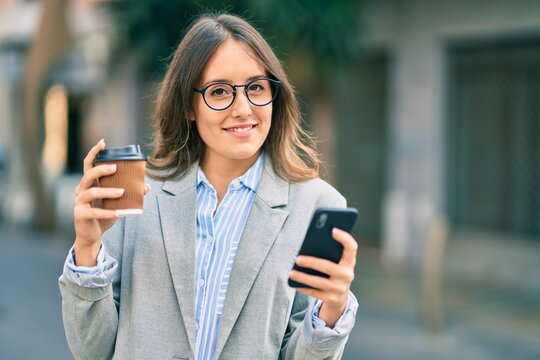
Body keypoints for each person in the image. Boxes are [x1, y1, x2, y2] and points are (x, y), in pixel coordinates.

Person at [59, 13, 358, 360]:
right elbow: (90, 351)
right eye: (219, 92)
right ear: (188, 104)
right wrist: (87, 249)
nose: (243, 109)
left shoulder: (317, 205)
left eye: (256, 88)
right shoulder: (140, 195)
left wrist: (332, 310)